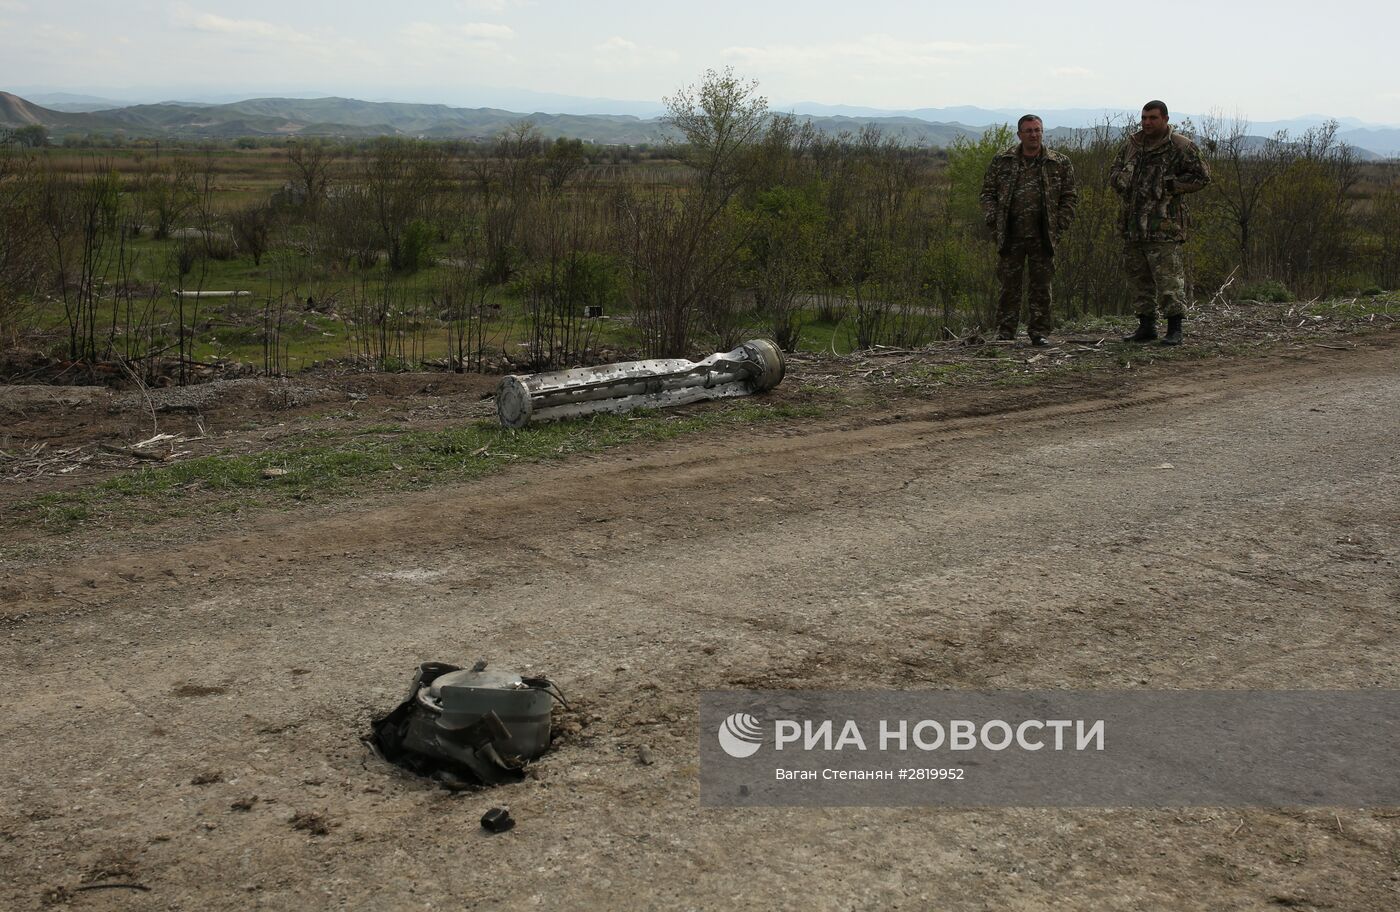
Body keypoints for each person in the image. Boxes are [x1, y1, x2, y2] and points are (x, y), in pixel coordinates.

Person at [1110, 100, 1212, 345]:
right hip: (1133, 225)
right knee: (1139, 280)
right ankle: (1146, 327)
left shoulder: (1180, 146)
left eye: (1153, 118)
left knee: (1169, 280)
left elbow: (1202, 177)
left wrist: (1170, 185)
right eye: (1144, 118)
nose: (1147, 122)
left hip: (1164, 225)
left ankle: (1175, 329)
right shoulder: (1132, 145)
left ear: (1165, 119)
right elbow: (1114, 170)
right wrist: (1121, 180)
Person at [980, 114, 1079, 346]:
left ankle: (1039, 332)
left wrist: (1060, 224)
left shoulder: (1059, 162)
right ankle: (1005, 332)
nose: (1034, 135)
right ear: (1019, 134)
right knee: (1009, 286)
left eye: (1037, 130)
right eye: (1028, 131)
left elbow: (1070, 197)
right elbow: (987, 193)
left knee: (1041, 287)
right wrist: (993, 220)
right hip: (1010, 235)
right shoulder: (1002, 161)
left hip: (1043, 235)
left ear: (1042, 132)